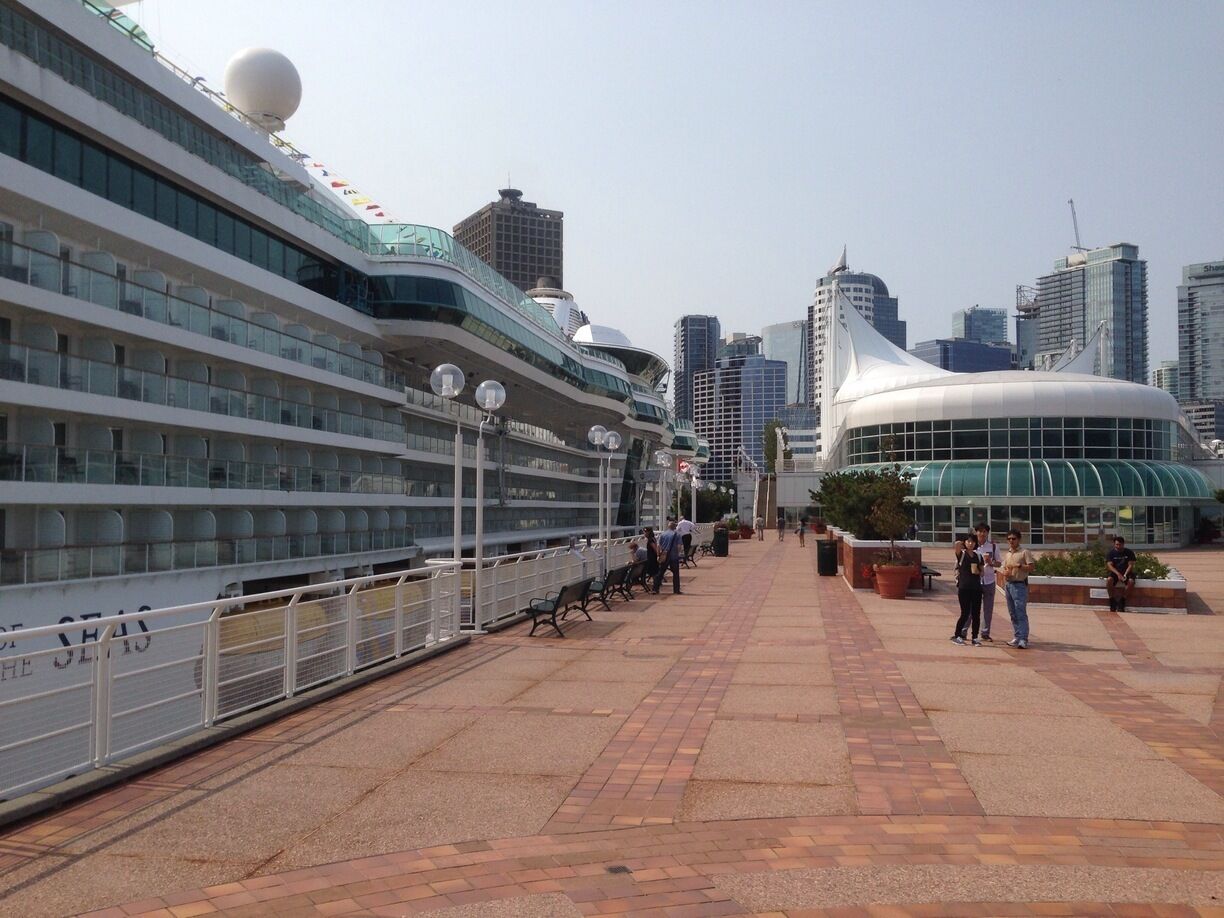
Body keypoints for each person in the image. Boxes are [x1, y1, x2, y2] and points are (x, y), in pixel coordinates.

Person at [1002, 529, 1036, 649]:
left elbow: (1032, 567)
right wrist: (1005, 572)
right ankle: (1017, 636)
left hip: (1019, 585)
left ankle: (1023, 638)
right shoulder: (1008, 554)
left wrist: (1020, 566)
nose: (1011, 541)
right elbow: (1004, 567)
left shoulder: (1024, 552)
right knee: (1012, 613)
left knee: (1020, 612)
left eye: (1014, 538)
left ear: (1019, 539)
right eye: (1009, 539)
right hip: (1009, 584)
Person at [951, 533, 983, 645]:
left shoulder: (978, 556)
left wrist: (978, 570)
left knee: (976, 614)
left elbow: (982, 572)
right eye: (968, 541)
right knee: (965, 612)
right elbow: (956, 546)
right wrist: (962, 542)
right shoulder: (962, 555)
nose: (970, 543)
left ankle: (975, 637)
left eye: (973, 541)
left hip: (976, 588)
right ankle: (957, 635)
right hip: (964, 587)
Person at [974, 523, 1002, 642]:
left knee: (988, 609)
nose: (982, 534)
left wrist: (991, 562)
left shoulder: (993, 547)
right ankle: (964, 631)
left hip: (989, 581)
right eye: (980, 531)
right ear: (976, 532)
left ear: (987, 533)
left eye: (984, 531)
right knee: (972, 608)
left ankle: (985, 633)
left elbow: (999, 563)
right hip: (975, 581)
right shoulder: (972, 546)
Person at [1106, 535, 1137, 612]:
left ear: (1123, 544)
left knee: (1131, 582)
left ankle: (1122, 601)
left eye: (1120, 544)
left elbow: (1131, 565)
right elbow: (1109, 565)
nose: (1118, 546)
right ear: (1114, 544)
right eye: (1116, 544)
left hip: (1126, 572)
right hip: (1116, 573)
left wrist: (1125, 575)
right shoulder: (1111, 553)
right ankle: (1112, 600)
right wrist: (1118, 574)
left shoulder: (1129, 552)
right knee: (1109, 580)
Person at [653, 519, 683, 594]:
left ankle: (655, 589)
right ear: (675, 527)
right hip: (673, 557)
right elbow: (679, 546)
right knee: (676, 574)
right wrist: (677, 553)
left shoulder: (663, 534)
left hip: (664, 556)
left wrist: (658, 555)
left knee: (660, 573)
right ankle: (676, 590)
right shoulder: (677, 535)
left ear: (668, 527)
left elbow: (658, 546)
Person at [641, 526, 660, 592]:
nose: (644, 534)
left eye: (645, 532)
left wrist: (658, 555)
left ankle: (655, 589)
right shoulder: (653, 538)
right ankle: (656, 588)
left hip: (652, 559)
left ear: (648, 532)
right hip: (653, 558)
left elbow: (655, 548)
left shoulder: (650, 540)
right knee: (654, 573)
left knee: (654, 573)